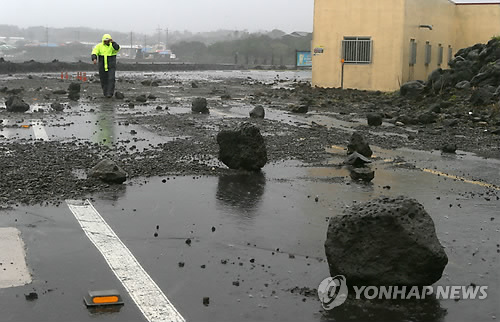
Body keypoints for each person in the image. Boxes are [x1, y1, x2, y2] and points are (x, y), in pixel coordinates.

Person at [91, 34, 120, 98]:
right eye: (105, 40)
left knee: (111, 79)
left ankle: (110, 93)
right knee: (103, 79)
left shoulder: (112, 46)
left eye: (107, 40)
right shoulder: (99, 46)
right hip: (102, 65)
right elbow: (94, 51)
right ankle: (105, 92)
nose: (106, 42)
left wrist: (113, 42)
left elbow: (117, 48)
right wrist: (94, 58)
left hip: (111, 65)